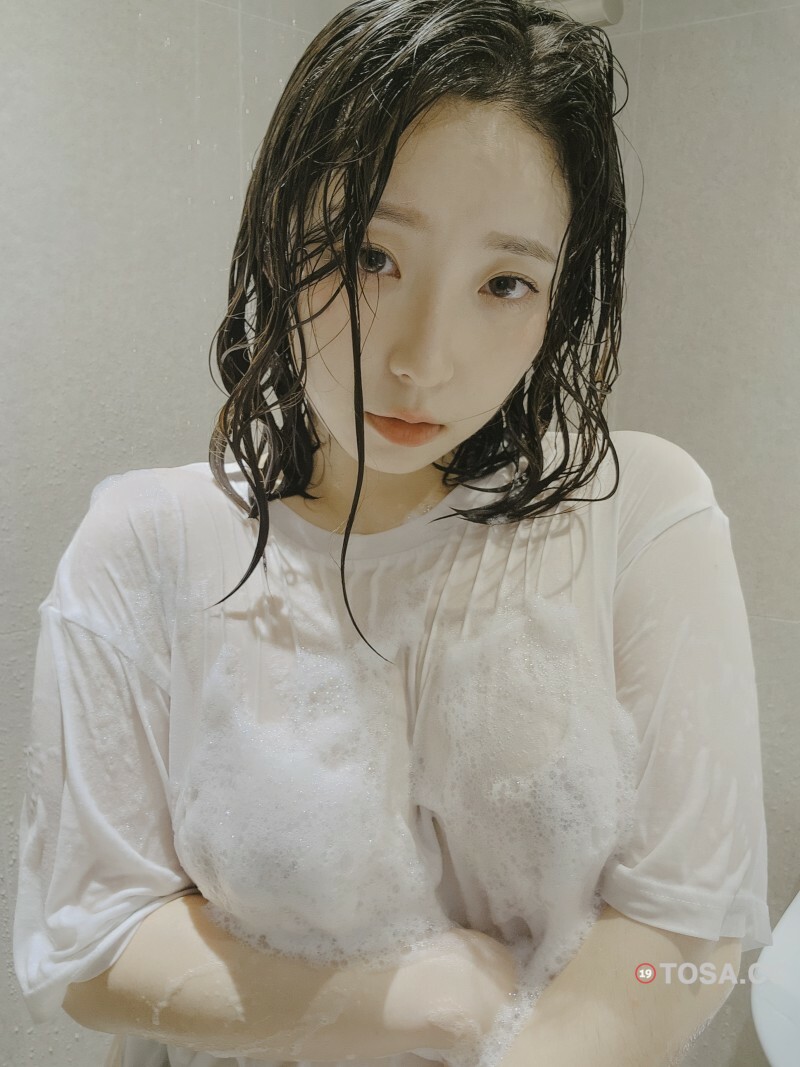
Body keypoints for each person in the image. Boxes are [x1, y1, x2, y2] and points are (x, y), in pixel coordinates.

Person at [13, 1, 772, 1066]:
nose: (423, 358)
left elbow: (690, 943)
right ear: (279, 230)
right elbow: (86, 947)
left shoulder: (640, 514)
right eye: (370, 256)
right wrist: (407, 1003)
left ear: (559, 297)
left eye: (503, 282)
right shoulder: (145, 544)